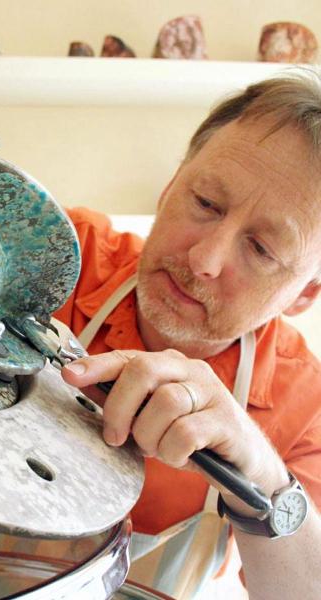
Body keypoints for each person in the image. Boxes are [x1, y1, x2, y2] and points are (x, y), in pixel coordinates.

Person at [54, 72, 321, 599]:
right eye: (204, 203)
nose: (204, 260)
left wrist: (261, 475)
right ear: (170, 185)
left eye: (262, 250)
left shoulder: (306, 404)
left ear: (305, 294)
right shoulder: (55, 251)